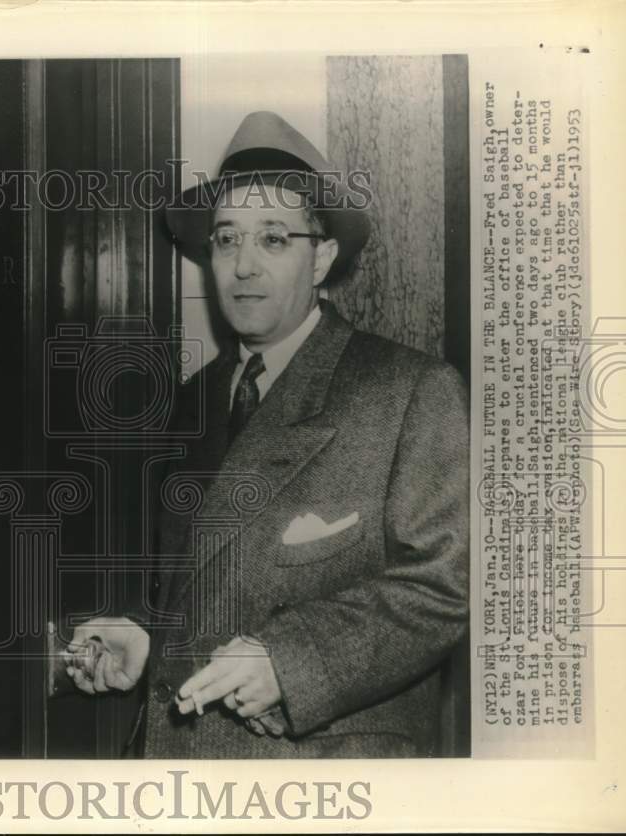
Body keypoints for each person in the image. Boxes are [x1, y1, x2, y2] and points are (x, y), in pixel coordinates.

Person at [64, 111, 469, 758]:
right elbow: (201, 583)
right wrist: (145, 635)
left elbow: (442, 588)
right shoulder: (194, 397)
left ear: (322, 258)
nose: (243, 266)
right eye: (226, 240)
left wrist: (289, 661)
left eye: (274, 239)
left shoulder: (409, 391)